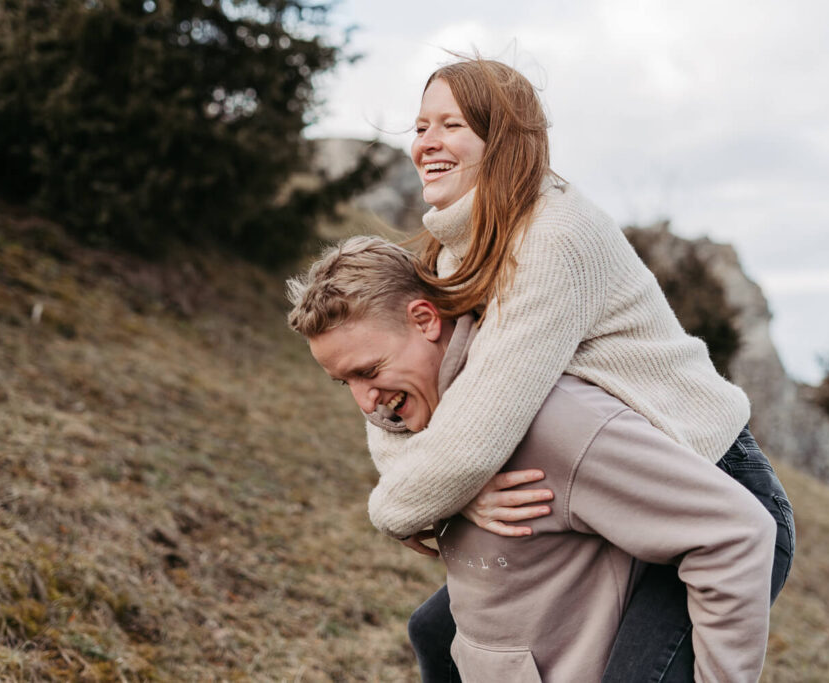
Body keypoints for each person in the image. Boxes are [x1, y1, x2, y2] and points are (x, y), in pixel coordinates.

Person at [303, 57, 795, 681]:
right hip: (615, 478)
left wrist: (410, 503)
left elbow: (478, 432)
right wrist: (451, 488)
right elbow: (401, 409)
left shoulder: (554, 237)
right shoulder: (460, 250)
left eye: (449, 124)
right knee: (437, 631)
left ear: (503, 137)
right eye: (420, 125)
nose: (425, 141)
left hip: (713, 478)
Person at [286, 236, 779, 682]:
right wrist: (452, 491)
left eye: (369, 371)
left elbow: (737, 532)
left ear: (425, 319)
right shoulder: (428, 420)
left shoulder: (556, 422)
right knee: (430, 628)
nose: (365, 403)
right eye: (345, 382)